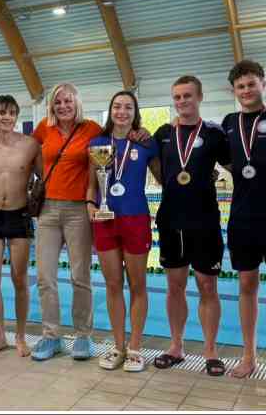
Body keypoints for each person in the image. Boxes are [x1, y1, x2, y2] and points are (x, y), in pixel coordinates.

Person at [151, 75, 230, 376]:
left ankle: (210, 350)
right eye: (177, 97)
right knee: (175, 286)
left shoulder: (214, 133)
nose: (182, 101)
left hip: (205, 221)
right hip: (171, 219)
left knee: (207, 285)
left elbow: (234, 164)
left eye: (187, 96)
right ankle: (176, 346)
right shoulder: (162, 134)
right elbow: (155, 166)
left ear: (199, 96)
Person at [220, 61, 266, 385]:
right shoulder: (228, 122)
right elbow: (224, 158)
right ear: (234, 91)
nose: (246, 91)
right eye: (240, 86)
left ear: (263, 83)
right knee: (246, 285)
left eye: (251, 84)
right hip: (242, 217)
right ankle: (248, 355)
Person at [86, 91, 160, 372]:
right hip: (105, 220)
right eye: (117, 106)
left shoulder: (146, 143)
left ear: (135, 112)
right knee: (113, 285)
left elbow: (164, 177)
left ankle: (136, 348)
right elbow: (91, 184)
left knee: (137, 285)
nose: (122, 112)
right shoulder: (97, 143)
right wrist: (90, 205)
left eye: (128, 107)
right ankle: (118, 347)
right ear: (110, 110)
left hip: (135, 217)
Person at [29, 83, 103, 361]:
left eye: (67, 101)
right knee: (45, 277)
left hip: (77, 211)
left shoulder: (91, 129)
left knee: (80, 276)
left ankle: (83, 335)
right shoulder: (43, 129)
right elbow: (29, 151)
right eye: (57, 102)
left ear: (77, 102)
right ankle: (51, 336)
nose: (63, 106)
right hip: (47, 210)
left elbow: (115, 143)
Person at [0, 95, 41, 358]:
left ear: (16, 116)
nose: (7, 117)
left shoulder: (30, 144)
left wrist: (35, 203)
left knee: (20, 280)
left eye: (12, 113)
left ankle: (21, 337)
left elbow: (43, 177)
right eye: (2, 112)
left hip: (19, 214)